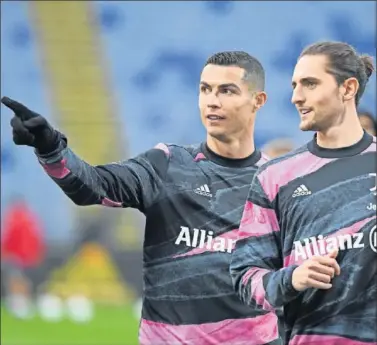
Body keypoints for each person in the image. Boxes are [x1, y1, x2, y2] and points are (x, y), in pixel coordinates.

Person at [2, 51, 283, 344]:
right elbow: (92, 186)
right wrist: (50, 148)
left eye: (227, 90)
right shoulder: (168, 164)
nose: (212, 100)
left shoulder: (279, 183)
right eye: (205, 89)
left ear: (257, 101)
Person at [230, 41, 376, 345]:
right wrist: (292, 278)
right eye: (295, 85)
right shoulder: (275, 177)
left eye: (310, 84)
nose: (296, 96)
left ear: (347, 88)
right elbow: (245, 278)